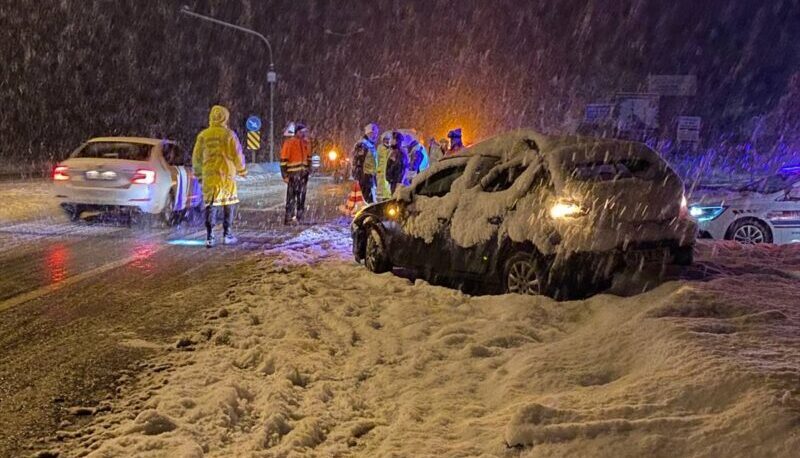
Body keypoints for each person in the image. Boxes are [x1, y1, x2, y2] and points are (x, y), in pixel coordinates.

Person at [192, 105, 247, 248]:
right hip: (226, 175)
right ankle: (227, 234)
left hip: (209, 175)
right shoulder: (229, 135)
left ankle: (210, 236)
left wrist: (198, 173)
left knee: (211, 205)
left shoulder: (203, 135)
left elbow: (196, 158)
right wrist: (242, 170)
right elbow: (237, 154)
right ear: (225, 117)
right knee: (228, 204)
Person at [280, 122, 311, 224]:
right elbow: (283, 159)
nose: (304, 134)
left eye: (305, 132)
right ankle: (289, 218)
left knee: (301, 197)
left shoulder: (306, 143)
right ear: (297, 132)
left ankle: (299, 217)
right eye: (302, 132)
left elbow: (308, 158)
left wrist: (308, 171)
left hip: (303, 175)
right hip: (293, 175)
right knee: (291, 197)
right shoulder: (289, 143)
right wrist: (284, 175)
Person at [351, 123, 379, 204]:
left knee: (369, 199)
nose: (375, 136)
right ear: (368, 133)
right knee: (367, 200)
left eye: (376, 134)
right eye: (373, 134)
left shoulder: (369, 145)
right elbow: (358, 162)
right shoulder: (362, 145)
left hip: (369, 176)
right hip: (365, 177)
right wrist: (361, 177)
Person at [375, 131, 394, 201]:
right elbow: (386, 155)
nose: (387, 141)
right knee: (382, 190)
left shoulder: (388, 148)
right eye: (385, 139)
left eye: (388, 140)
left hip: (386, 171)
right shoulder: (381, 148)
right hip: (381, 172)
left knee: (386, 189)